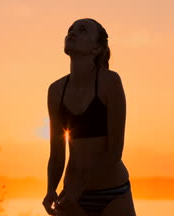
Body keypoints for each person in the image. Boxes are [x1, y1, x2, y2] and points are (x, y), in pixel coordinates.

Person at [42, 18, 137, 216]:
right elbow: (57, 153)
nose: (72, 32)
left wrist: (78, 188)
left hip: (112, 193)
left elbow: (115, 152)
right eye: (70, 29)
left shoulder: (110, 82)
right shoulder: (55, 90)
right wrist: (51, 188)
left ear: (96, 48)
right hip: (73, 197)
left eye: (82, 30)